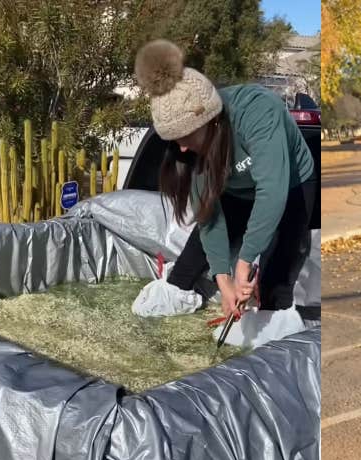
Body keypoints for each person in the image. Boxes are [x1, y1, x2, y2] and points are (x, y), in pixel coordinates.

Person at [129, 40, 316, 340]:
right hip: (237, 190)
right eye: (174, 139)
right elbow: (209, 217)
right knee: (195, 255)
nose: (181, 147)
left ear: (210, 121)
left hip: (291, 183)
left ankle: (272, 312)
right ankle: (178, 291)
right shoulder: (192, 153)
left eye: (186, 135)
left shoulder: (257, 111)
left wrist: (245, 261)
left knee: (277, 272)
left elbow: (272, 190)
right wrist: (225, 281)